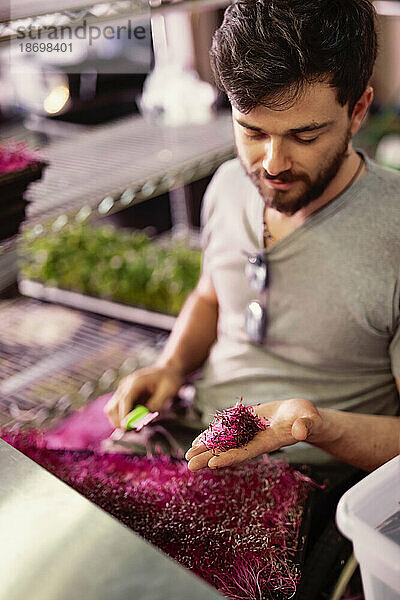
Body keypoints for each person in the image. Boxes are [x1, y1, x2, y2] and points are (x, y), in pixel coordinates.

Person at [105, 0, 400, 473]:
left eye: (305, 136)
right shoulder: (227, 184)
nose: (272, 163)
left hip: (313, 478)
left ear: (358, 109)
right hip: (195, 443)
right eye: (252, 130)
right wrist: (172, 367)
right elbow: (210, 298)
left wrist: (309, 426)